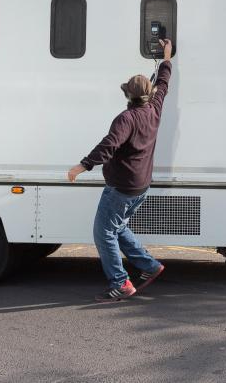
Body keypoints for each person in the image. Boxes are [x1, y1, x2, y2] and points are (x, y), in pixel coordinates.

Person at [67, 38, 173, 303]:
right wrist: (167, 58)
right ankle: (149, 266)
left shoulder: (126, 119)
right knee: (118, 227)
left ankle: (120, 283)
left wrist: (82, 166)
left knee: (103, 233)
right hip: (141, 185)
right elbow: (163, 84)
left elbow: (109, 145)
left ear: (128, 95)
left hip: (122, 187)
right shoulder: (154, 109)